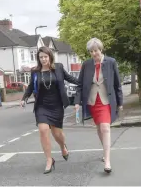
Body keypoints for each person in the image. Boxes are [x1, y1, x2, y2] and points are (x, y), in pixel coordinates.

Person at [20, 46, 78, 174]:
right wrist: (24, 98)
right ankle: (49, 160)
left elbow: (70, 78)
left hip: (56, 105)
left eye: (45, 57)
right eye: (41, 57)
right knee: (43, 130)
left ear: (50, 56)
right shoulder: (35, 71)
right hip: (41, 105)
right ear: (38, 58)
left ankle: (63, 147)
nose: (43, 59)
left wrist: (84, 83)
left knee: (57, 134)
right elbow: (30, 87)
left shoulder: (58, 67)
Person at [74, 38, 123, 174]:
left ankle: (107, 160)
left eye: (96, 50)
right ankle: (105, 150)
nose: (94, 53)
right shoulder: (86, 64)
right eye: (91, 51)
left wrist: (120, 103)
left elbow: (117, 84)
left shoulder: (111, 62)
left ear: (101, 49)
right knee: (99, 127)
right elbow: (79, 85)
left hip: (106, 100)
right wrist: (77, 102)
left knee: (105, 127)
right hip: (92, 101)